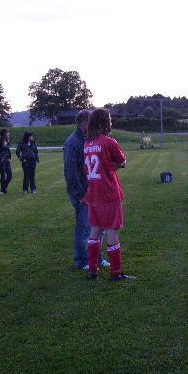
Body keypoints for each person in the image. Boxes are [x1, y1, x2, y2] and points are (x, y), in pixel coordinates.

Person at [83, 108, 134, 281]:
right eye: (109, 119)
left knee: (95, 230)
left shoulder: (87, 143)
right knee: (112, 230)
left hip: (93, 192)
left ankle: (92, 270)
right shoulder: (109, 141)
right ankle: (115, 272)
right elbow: (122, 162)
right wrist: (114, 165)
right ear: (105, 122)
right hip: (109, 192)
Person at [63, 110, 110, 271]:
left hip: (94, 191)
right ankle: (82, 260)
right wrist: (81, 195)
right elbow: (71, 172)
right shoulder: (73, 142)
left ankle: (97, 258)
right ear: (84, 123)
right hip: (82, 193)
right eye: (91, 122)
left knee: (98, 226)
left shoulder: (88, 139)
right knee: (84, 227)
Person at [0, 129, 13, 195]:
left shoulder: (7, 140)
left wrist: (9, 157)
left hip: (7, 161)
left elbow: (8, 150)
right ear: (4, 134)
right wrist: (0, 158)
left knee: (10, 175)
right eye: (7, 133)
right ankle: (3, 191)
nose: (8, 134)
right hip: (1, 161)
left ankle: (2, 189)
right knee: (3, 176)